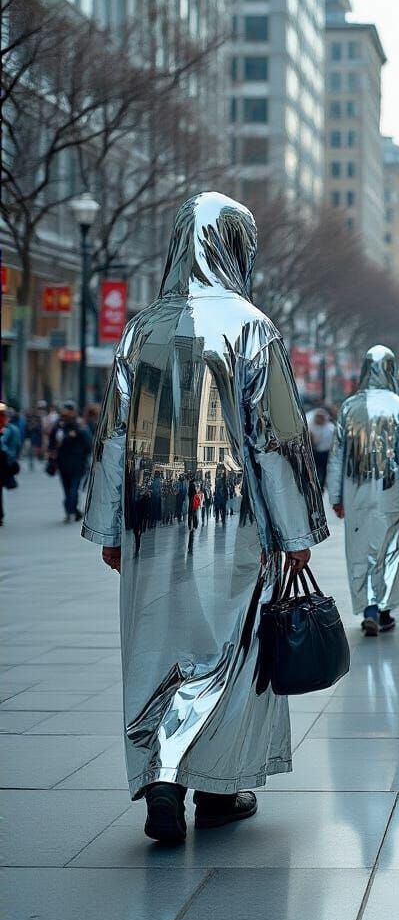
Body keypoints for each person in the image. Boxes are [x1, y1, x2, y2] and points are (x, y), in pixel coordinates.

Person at [82, 192, 328, 844]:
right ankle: (220, 787)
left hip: (150, 522)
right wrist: (296, 533)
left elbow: (112, 434)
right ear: (234, 248)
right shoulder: (253, 327)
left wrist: (109, 527)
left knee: (157, 648)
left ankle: (162, 778)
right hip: (233, 521)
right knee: (227, 650)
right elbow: (278, 440)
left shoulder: (140, 330)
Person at [326, 345, 399, 636]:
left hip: (356, 493)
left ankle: (367, 607)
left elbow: (337, 456)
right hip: (392, 493)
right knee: (389, 550)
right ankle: (383, 609)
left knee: (358, 550)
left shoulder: (349, 406)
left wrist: (336, 496)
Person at [49, 402, 92, 522]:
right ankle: (72, 510)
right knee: (69, 489)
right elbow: (52, 443)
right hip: (65, 463)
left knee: (72, 488)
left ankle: (70, 511)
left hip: (76, 463)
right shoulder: (59, 426)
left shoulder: (78, 427)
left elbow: (88, 444)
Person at [306, 407, 336, 490]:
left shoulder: (330, 428)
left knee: (324, 471)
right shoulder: (311, 426)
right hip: (315, 453)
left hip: (326, 453)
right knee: (316, 471)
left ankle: (322, 487)